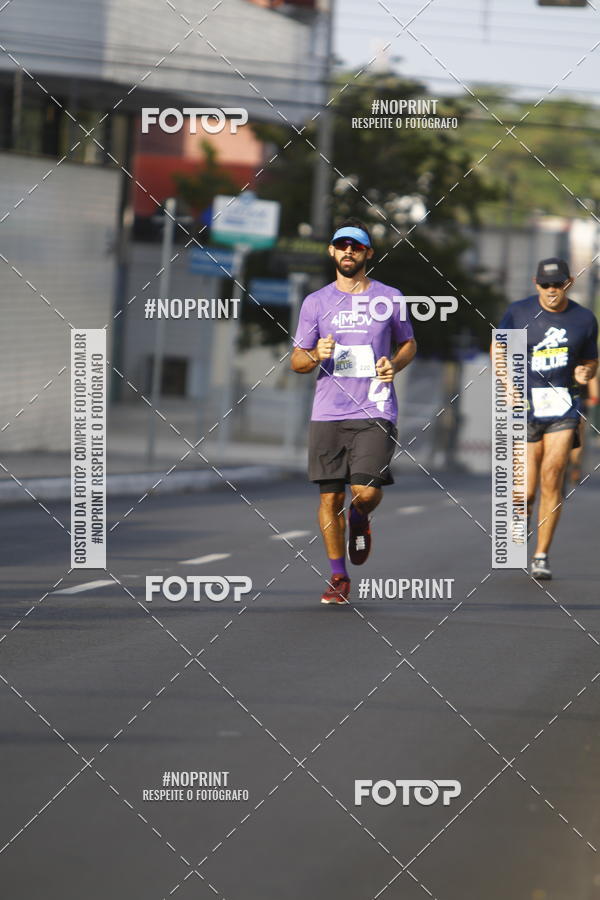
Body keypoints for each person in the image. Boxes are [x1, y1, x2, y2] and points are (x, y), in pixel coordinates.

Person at [290, 218, 417, 604]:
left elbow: (409, 343)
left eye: (356, 247)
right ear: (332, 251)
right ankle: (338, 576)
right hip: (328, 411)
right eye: (342, 245)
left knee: (363, 490)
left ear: (368, 254)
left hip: (375, 407)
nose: (348, 251)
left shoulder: (390, 298)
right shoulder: (316, 302)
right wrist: (315, 354)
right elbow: (296, 360)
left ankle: (361, 515)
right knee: (329, 499)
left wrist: (394, 364)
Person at [497, 258, 598, 580]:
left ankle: (541, 555)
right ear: (535, 283)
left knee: (553, 475)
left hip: (563, 408)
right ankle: (521, 516)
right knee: (525, 491)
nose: (552, 291)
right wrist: (507, 384)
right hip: (525, 407)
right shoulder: (519, 312)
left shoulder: (584, 318)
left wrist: (587, 371)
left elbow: (591, 360)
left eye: (557, 284)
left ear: (568, 282)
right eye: (545, 285)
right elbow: (498, 350)